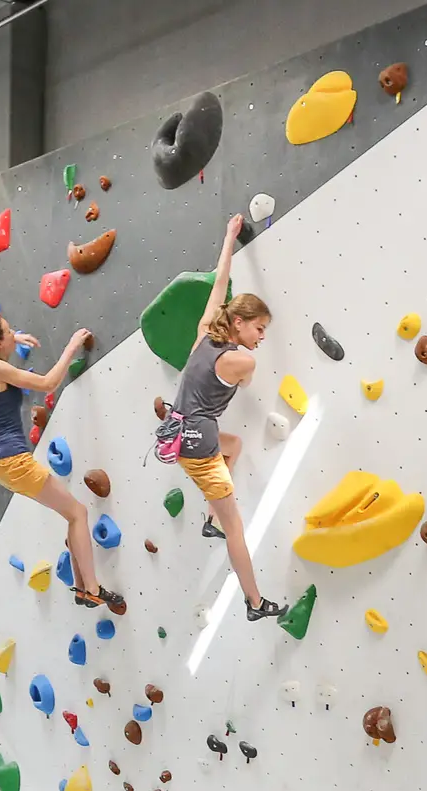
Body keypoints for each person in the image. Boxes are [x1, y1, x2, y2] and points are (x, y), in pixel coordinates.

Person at [0, 312, 123, 613]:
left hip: (8, 464)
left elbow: (2, 354)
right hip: (13, 462)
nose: (14, 332)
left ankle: (85, 588)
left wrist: (14, 339)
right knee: (78, 513)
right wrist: (72, 346)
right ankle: (93, 589)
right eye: (9, 331)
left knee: (73, 515)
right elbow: (48, 383)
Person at [165, 214, 285, 620]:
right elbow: (247, 385)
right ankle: (255, 602)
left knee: (234, 446)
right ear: (239, 323)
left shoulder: (204, 333)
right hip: (198, 446)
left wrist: (230, 237)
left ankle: (211, 518)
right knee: (238, 528)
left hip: (177, 433)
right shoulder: (240, 360)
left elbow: (219, 283)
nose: (262, 337)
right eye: (260, 328)